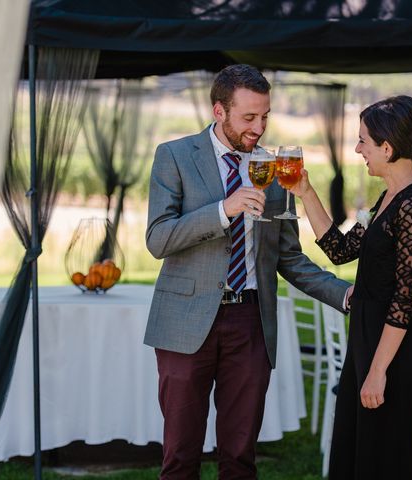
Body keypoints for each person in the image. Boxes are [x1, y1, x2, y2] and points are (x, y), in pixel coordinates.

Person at [143, 64, 352, 480]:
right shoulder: (175, 156)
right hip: (185, 321)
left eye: (265, 116)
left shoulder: (274, 170)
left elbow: (289, 258)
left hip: (251, 322)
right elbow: (158, 239)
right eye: (249, 117)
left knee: (240, 457)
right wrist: (224, 210)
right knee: (180, 455)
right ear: (219, 111)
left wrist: (344, 294)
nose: (259, 127)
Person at [289, 95, 412, 479]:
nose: (358, 150)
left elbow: (404, 300)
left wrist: (377, 371)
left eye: (363, 142)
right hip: (366, 344)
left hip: (393, 355)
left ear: (387, 148)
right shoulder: (387, 198)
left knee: (384, 460)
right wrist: (306, 191)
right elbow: (340, 251)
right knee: (355, 453)